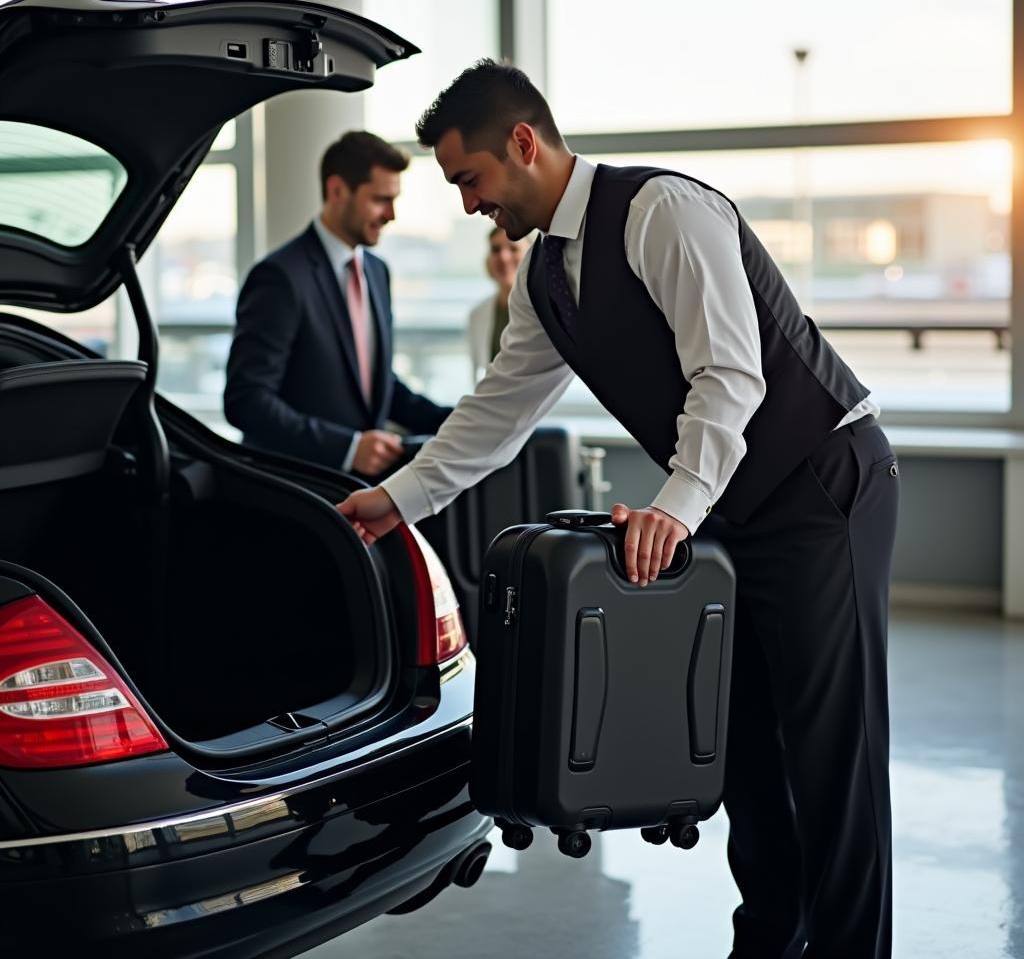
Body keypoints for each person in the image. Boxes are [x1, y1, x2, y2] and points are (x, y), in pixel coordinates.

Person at [338, 60, 898, 959]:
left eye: (469, 179)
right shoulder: (546, 276)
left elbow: (730, 374)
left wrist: (673, 511)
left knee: (833, 756)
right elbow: (499, 410)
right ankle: (767, 945)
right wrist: (397, 500)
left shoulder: (662, 212)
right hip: (733, 504)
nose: (469, 204)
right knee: (747, 752)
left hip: (823, 483)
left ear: (523, 144)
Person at [224, 130, 450, 479]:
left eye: (394, 199)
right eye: (380, 199)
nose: (391, 214)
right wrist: (346, 448)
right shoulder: (279, 276)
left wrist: (456, 422)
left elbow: (374, 383)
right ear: (337, 190)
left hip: (360, 492)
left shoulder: (377, 271)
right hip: (296, 492)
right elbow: (247, 401)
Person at [467, 225, 528, 381]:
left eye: (513, 248)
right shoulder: (477, 314)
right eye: (495, 249)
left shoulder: (545, 310)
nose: (503, 257)